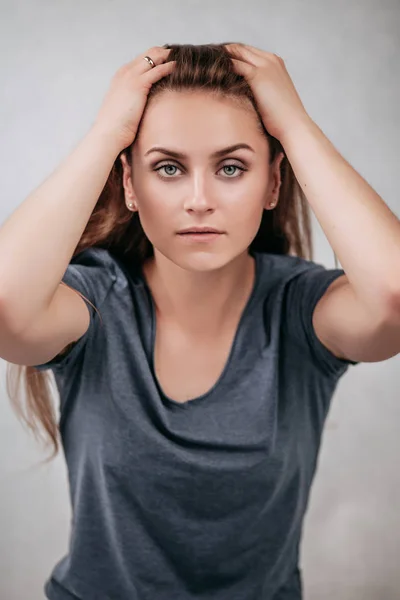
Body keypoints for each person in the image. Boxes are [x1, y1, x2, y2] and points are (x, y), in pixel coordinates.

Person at [1, 42, 400, 600]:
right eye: (167, 167)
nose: (199, 200)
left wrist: (297, 126)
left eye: (232, 167)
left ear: (274, 182)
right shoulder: (95, 302)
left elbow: (393, 297)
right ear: (130, 185)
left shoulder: (300, 311)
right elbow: (4, 306)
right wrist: (104, 135)